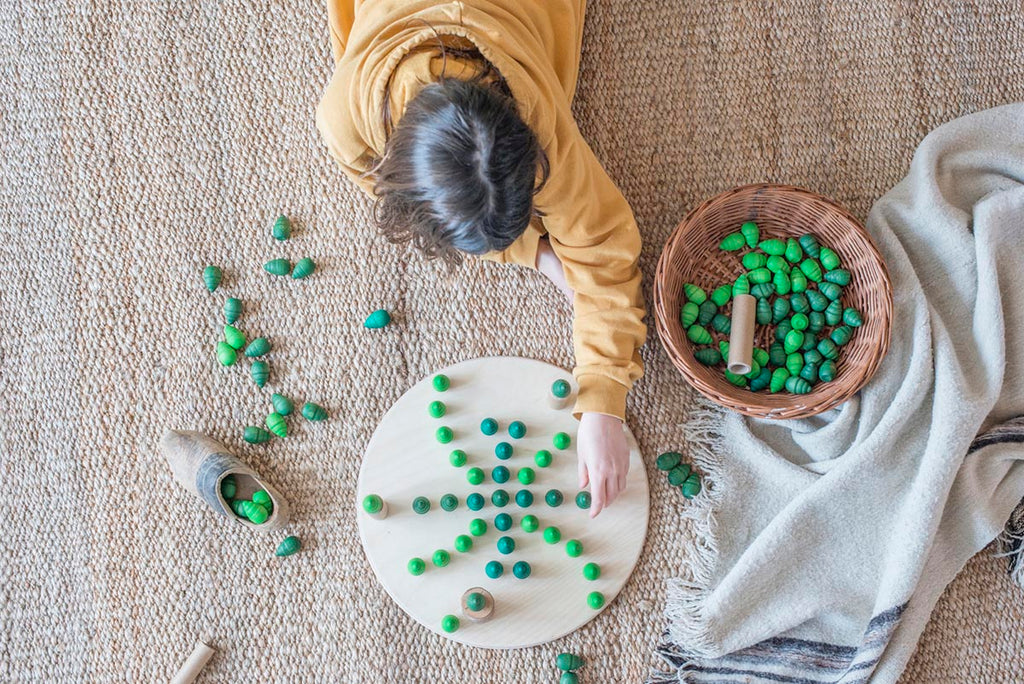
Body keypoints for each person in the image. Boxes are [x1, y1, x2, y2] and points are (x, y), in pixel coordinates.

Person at [316, 0, 645, 516]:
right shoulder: (347, 122)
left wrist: (604, 400)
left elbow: (604, 248)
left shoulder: (541, 126)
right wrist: (535, 252)